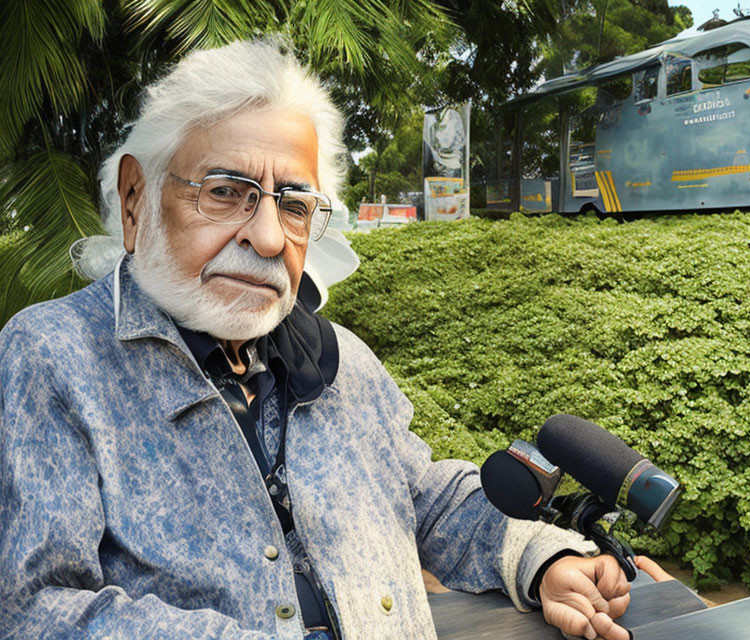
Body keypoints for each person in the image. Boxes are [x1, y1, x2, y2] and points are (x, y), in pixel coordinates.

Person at [0, 39, 635, 640]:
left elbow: (426, 498)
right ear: (136, 200)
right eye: (226, 193)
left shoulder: (342, 360)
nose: (271, 238)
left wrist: (542, 558)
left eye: (296, 204)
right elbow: (34, 610)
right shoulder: (53, 355)